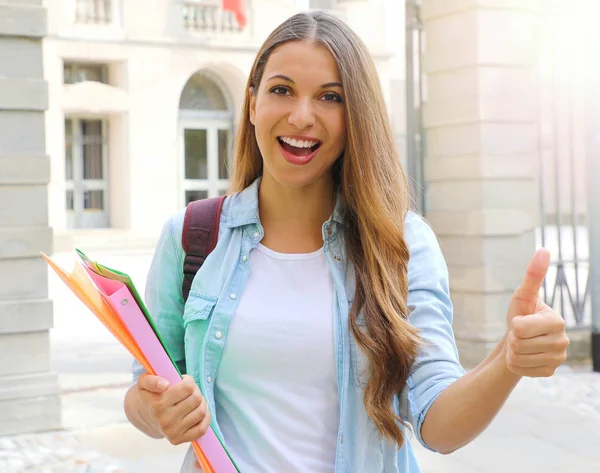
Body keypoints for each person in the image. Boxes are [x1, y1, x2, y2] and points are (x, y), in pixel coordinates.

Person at [123, 10, 570, 473]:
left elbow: (439, 424)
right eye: (282, 90)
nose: (302, 116)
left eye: (330, 97)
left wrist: (508, 360)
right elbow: (144, 389)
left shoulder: (401, 243)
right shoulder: (192, 236)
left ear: (356, 115)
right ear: (253, 104)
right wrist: (158, 412)